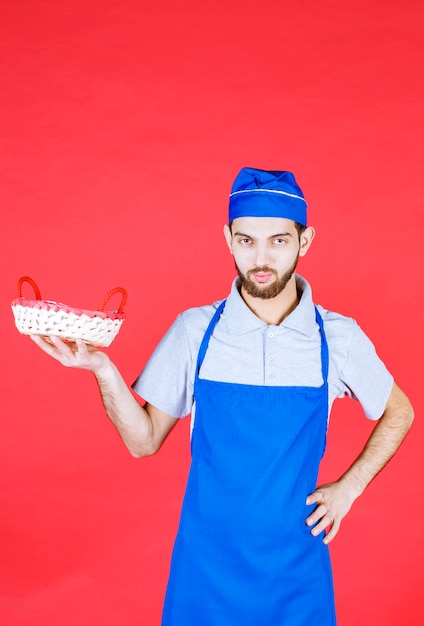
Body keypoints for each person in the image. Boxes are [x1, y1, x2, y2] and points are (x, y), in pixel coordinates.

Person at [31, 167, 414, 626]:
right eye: (247, 240)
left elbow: (399, 411)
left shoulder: (337, 338)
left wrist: (349, 488)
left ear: (304, 241)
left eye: (278, 240)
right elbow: (143, 441)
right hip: (205, 571)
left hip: (297, 574)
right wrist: (101, 369)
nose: (262, 257)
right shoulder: (196, 331)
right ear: (228, 239)